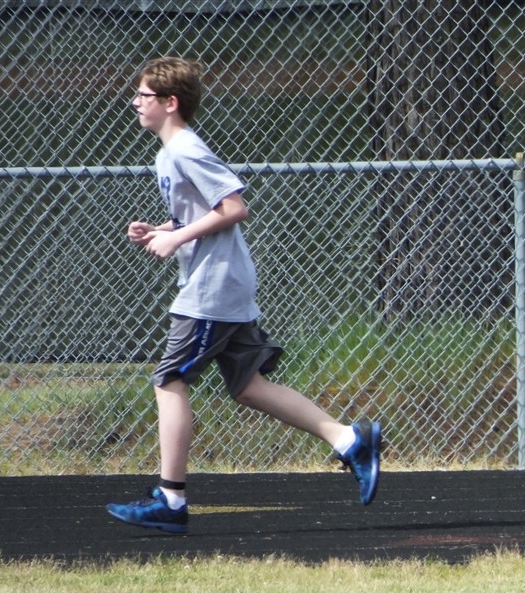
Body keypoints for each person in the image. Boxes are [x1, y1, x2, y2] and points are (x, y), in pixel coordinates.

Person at [107, 57, 382, 534]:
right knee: (248, 386)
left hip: (212, 288)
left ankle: (171, 499)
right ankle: (348, 440)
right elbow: (201, 213)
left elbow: (234, 207)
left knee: (169, 381)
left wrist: (177, 238)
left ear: (170, 103)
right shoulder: (168, 154)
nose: (135, 102)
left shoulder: (186, 148)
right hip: (221, 284)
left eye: (144, 95)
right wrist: (164, 229)